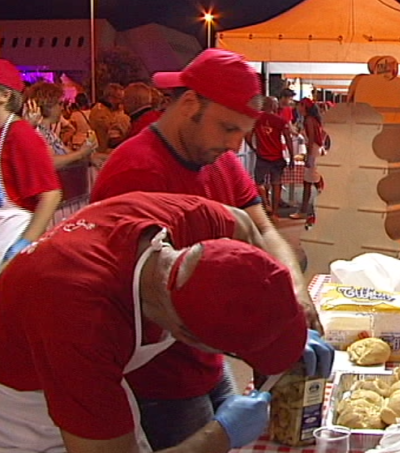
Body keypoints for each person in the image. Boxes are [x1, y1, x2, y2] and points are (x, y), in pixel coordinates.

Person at [90, 48, 325, 449]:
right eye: (227, 129)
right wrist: (264, 339)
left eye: (241, 133)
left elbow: (264, 229)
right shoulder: (136, 171)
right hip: (161, 377)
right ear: (191, 104)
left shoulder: (219, 159)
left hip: (208, 359)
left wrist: (296, 294)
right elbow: (156, 300)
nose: (235, 146)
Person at [0, 191, 333, 453]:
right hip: (26, 407)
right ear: (185, 337)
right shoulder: (81, 326)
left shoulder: (189, 221)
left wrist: (287, 317)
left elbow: (243, 222)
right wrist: (221, 435)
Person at [0, 59, 62, 267]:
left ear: (4, 96)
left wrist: (22, 245)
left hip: (11, 241)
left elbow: (50, 195)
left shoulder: (20, 134)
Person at [24, 81, 96, 169]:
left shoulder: (49, 133)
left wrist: (88, 155)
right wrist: (80, 153)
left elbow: (68, 154)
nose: (62, 108)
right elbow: (48, 162)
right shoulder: (37, 132)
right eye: (59, 104)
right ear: (48, 105)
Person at [247, 95, 294, 221]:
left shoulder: (256, 119)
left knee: (258, 182)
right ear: (273, 106)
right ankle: (275, 213)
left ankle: (265, 203)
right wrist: (292, 157)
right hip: (277, 156)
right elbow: (288, 139)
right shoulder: (280, 120)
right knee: (276, 184)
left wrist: (254, 149)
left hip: (262, 156)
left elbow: (248, 136)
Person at [290, 98, 326, 220]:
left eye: (299, 105)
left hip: (313, 151)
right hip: (316, 150)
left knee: (309, 181)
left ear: (304, 106)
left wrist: (308, 156)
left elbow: (311, 138)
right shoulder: (312, 119)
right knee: (315, 181)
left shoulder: (309, 120)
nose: (297, 108)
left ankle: (304, 210)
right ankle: (321, 203)